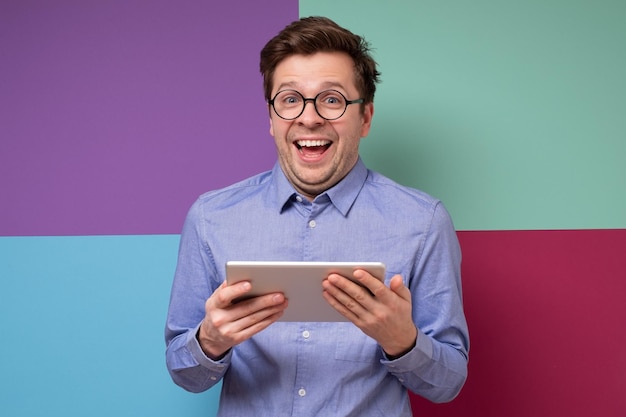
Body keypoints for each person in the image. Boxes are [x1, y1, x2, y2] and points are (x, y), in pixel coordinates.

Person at [165, 16, 469, 417]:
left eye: (332, 99)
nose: (309, 118)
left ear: (365, 118)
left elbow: (448, 383)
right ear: (271, 119)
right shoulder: (210, 217)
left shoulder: (424, 222)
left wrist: (403, 341)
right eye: (290, 100)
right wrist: (210, 341)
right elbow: (183, 372)